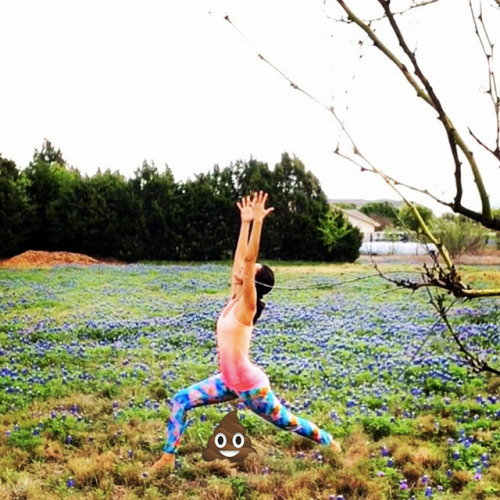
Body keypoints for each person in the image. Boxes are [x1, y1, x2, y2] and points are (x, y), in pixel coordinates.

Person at [151, 191, 341, 471]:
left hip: (252, 388)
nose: (240, 269)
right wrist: (244, 223)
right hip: (228, 381)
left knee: (288, 422)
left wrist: (259, 223)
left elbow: (249, 261)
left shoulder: (247, 307)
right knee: (181, 400)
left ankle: (328, 441)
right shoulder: (234, 298)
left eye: (249, 270)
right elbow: (241, 259)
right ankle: (167, 458)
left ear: (254, 281)